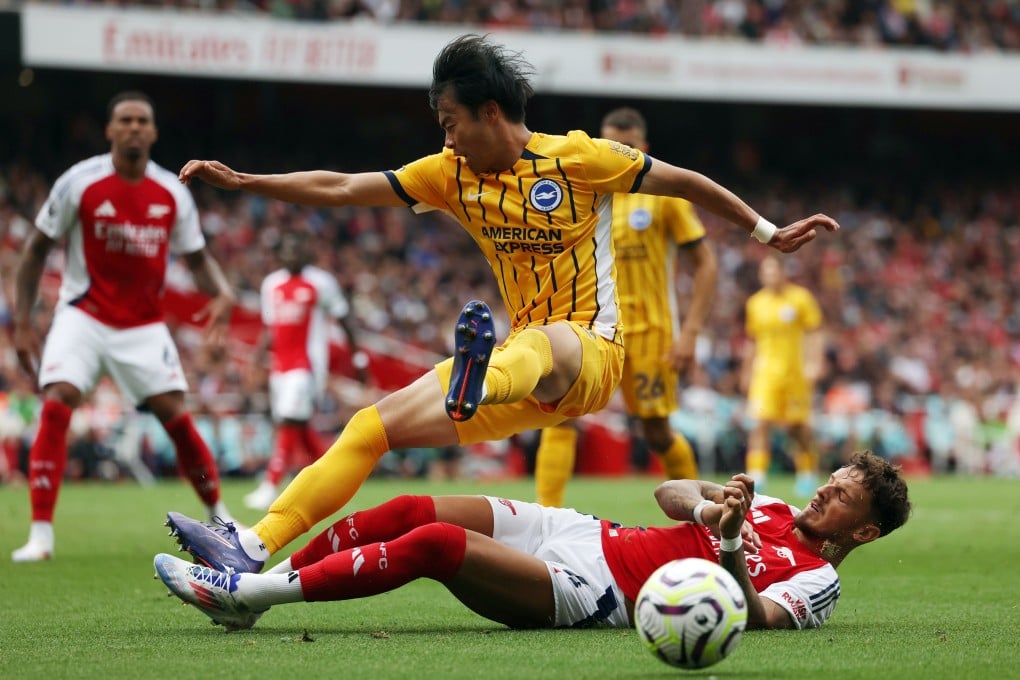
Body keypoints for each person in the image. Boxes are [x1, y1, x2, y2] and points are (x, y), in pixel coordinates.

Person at [164, 34, 839, 577]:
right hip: (515, 369)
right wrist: (247, 180)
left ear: (490, 111)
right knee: (370, 428)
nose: (446, 138)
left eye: (451, 122)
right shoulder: (449, 174)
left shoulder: (578, 159)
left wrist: (766, 232)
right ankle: (251, 546)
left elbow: (684, 182)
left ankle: (476, 375)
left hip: (590, 354)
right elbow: (344, 186)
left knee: (543, 342)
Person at [154, 450, 911, 632]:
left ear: (864, 530)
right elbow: (667, 494)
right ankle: (259, 568)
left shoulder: (818, 579)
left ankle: (247, 597)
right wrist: (714, 505)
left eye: (842, 493)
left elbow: (762, 620)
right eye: (834, 477)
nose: (825, 488)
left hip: (595, 594)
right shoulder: (770, 504)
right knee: (412, 504)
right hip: (584, 531)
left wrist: (735, 553)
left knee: (437, 544)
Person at [10, 91, 239, 562]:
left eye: (142, 121)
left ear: (153, 132)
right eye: (125, 121)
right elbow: (34, 250)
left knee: (176, 417)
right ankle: (40, 536)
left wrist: (223, 291)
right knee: (57, 400)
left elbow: (197, 259)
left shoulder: (172, 192)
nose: (134, 128)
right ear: (110, 130)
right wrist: (23, 321)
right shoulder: (79, 182)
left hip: (143, 325)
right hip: (84, 314)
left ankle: (223, 517)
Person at [534, 107, 718, 507]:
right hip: (594, 325)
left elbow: (705, 263)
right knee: (561, 413)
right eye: (610, 145)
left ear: (644, 148)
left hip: (651, 332)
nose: (618, 154)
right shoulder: (584, 192)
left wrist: (690, 333)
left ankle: (700, 514)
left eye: (628, 147)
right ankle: (545, 518)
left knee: (656, 431)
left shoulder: (664, 198)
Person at [244, 231, 368, 511]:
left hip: (308, 365)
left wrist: (358, 358)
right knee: (297, 426)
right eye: (286, 250)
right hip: (280, 368)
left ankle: (270, 484)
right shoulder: (271, 284)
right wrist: (257, 359)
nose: (291, 255)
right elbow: (269, 327)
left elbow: (344, 317)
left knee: (289, 420)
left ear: (306, 254)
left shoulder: (320, 282)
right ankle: (335, 480)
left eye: (296, 250)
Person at [741, 255, 824, 496]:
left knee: (797, 427)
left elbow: (814, 332)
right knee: (760, 422)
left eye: (773, 271)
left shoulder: (800, 298)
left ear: (782, 273)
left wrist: (815, 362)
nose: (769, 277)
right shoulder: (755, 303)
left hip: (795, 372)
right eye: (765, 272)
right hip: (765, 373)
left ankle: (807, 473)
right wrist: (746, 371)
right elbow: (752, 340)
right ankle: (757, 475)